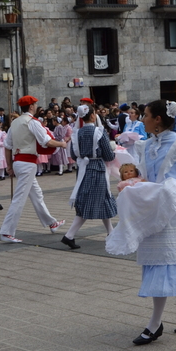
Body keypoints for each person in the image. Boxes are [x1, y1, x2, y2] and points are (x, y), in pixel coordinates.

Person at [106, 100, 176, 344]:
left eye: (146, 115)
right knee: (159, 262)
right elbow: (145, 176)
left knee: (164, 263)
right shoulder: (146, 144)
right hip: (152, 208)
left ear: (158, 119)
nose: (143, 119)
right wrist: (134, 183)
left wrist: (173, 185)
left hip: (173, 211)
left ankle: (154, 324)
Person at [0, 96, 67, 243]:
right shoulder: (32, 122)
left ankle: (51, 223)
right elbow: (46, 141)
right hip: (27, 163)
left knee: (36, 194)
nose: (36, 106)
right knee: (19, 198)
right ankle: (6, 232)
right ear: (31, 106)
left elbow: (7, 146)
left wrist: (9, 166)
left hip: (19, 162)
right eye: (35, 104)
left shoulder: (15, 122)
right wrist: (61, 144)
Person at [61, 103, 117, 250]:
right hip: (96, 169)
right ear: (93, 115)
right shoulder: (99, 132)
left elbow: (74, 155)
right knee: (90, 202)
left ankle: (111, 232)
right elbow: (108, 155)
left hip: (83, 169)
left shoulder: (76, 133)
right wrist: (115, 151)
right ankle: (69, 235)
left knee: (102, 199)